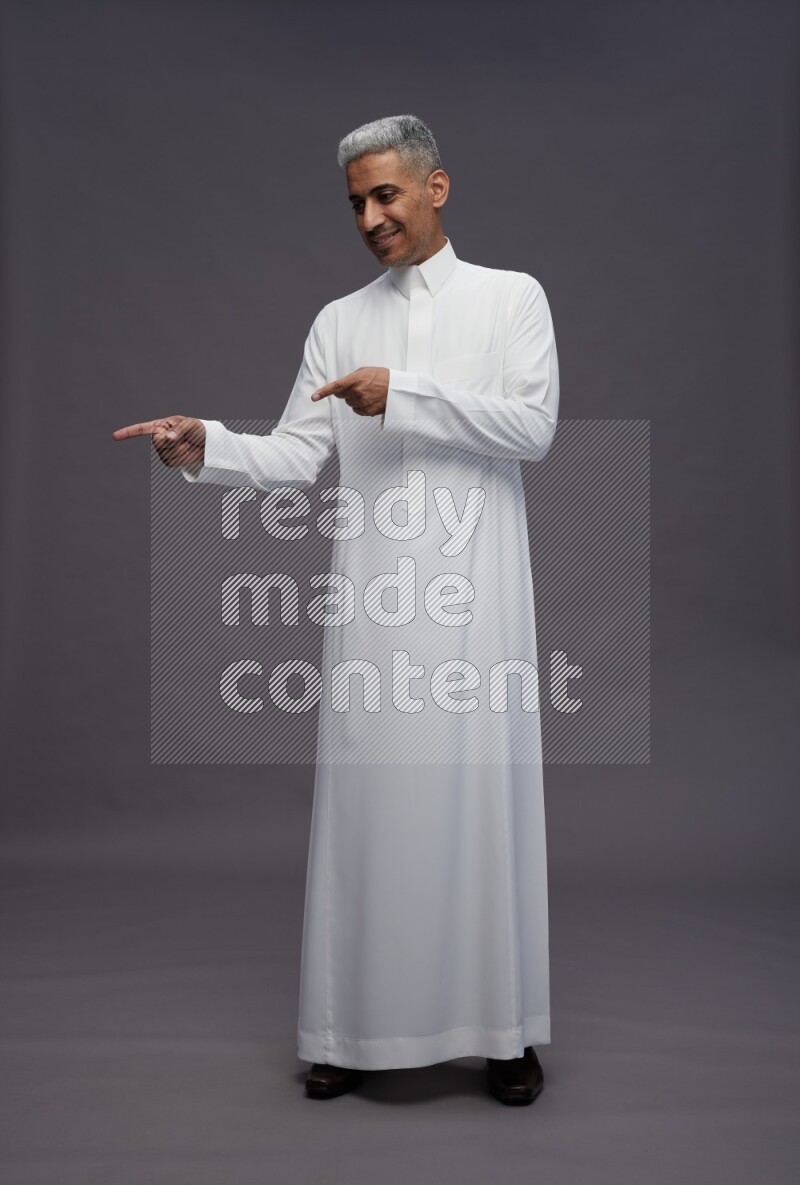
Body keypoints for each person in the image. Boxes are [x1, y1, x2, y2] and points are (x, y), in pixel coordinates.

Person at [112, 114, 560, 1106]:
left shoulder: (510, 299)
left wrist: (402, 393)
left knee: (480, 807)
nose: (369, 217)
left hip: (478, 599)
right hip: (375, 601)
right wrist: (207, 445)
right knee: (372, 813)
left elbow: (531, 426)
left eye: (386, 194)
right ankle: (350, 1030)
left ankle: (502, 1033)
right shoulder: (338, 319)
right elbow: (295, 452)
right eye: (356, 202)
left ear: (435, 188)